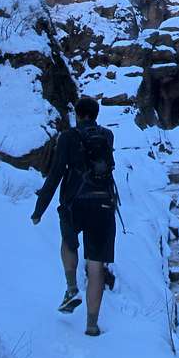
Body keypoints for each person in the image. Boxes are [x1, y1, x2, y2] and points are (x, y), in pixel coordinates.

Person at [31, 96, 117, 336]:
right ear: (96, 115)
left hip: (74, 203)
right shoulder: (107, 136)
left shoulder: (68, 137)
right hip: (103, 204)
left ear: (77, 114)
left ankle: (71, 288)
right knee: (96, 264)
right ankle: (92, 323)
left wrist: (39, 209)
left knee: (68, 243)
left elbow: (57, 172)